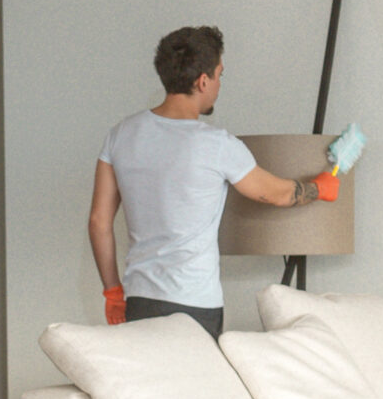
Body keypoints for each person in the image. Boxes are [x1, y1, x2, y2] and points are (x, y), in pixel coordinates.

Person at [88, 25, 322, 335]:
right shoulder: (217, 144)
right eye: (219, 75)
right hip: (194, 304)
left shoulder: (121, 135)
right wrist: (320, 188)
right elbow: (275, 194)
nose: (219, 84)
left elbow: (98, 222)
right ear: (203, 81)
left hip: (140, 299)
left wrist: (112, 291)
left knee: (150, 384)